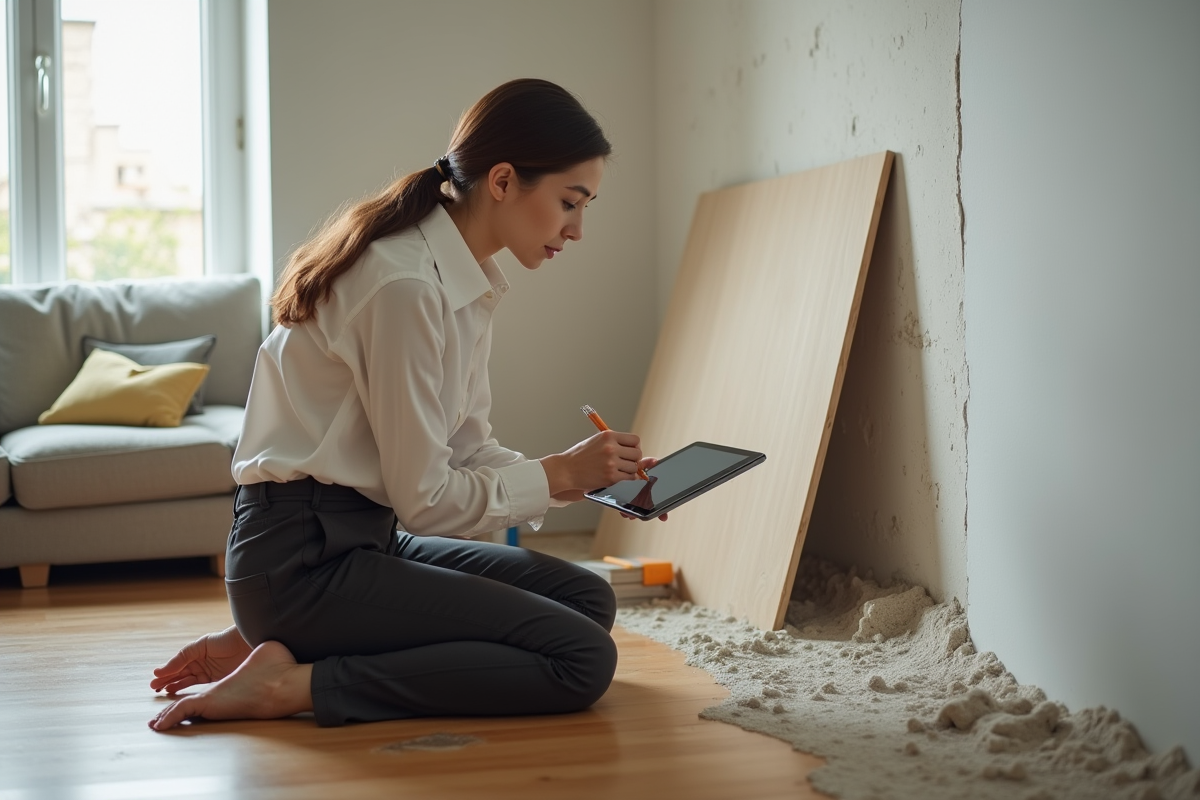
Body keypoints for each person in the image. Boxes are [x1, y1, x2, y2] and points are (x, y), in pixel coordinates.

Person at [147, 79, 664, 732]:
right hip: (303, 561)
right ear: (503, 181)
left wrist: (587, 477)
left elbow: (468, 449)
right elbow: (427, 500)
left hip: (362, 541)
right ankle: (295, 681)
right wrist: (558, 475)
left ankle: (282, 639)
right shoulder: (405, 285)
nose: (578, 229)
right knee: (580, 659)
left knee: (586, 601)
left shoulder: (466, 282)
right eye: (570, 202)